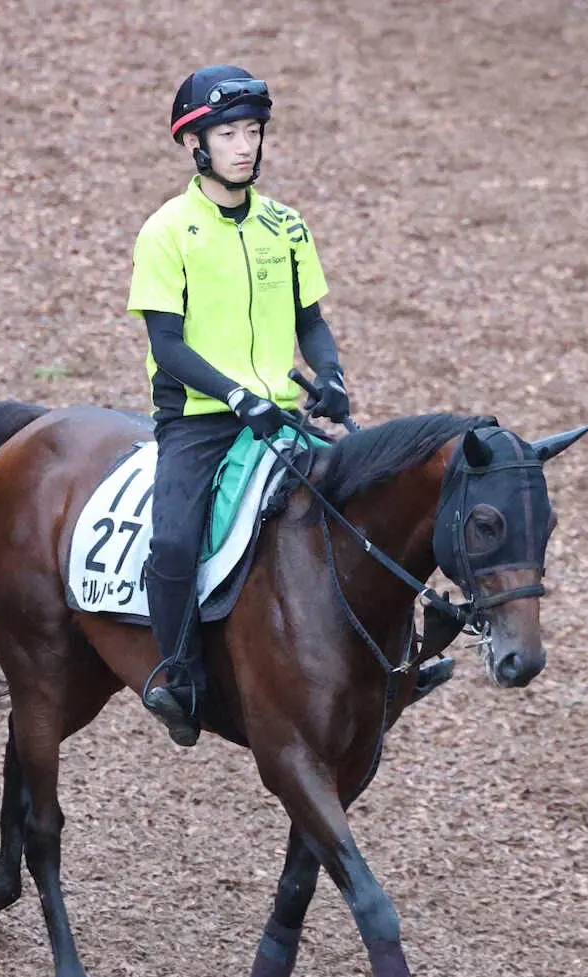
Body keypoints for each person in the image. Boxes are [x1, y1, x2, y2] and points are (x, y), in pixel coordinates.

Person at [127, 65, 451, 748]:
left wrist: (328, 372)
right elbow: (167, 343)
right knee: (175, 536)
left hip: (280, 412)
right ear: (197, 143)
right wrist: (237, 394)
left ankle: (398, 662)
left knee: (366, 513)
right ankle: (178, 675)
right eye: (227, 133)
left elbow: (310, 320)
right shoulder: (166, 231)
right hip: (198, 419)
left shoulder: (285, 225)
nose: (242, 146)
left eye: (251, 132)